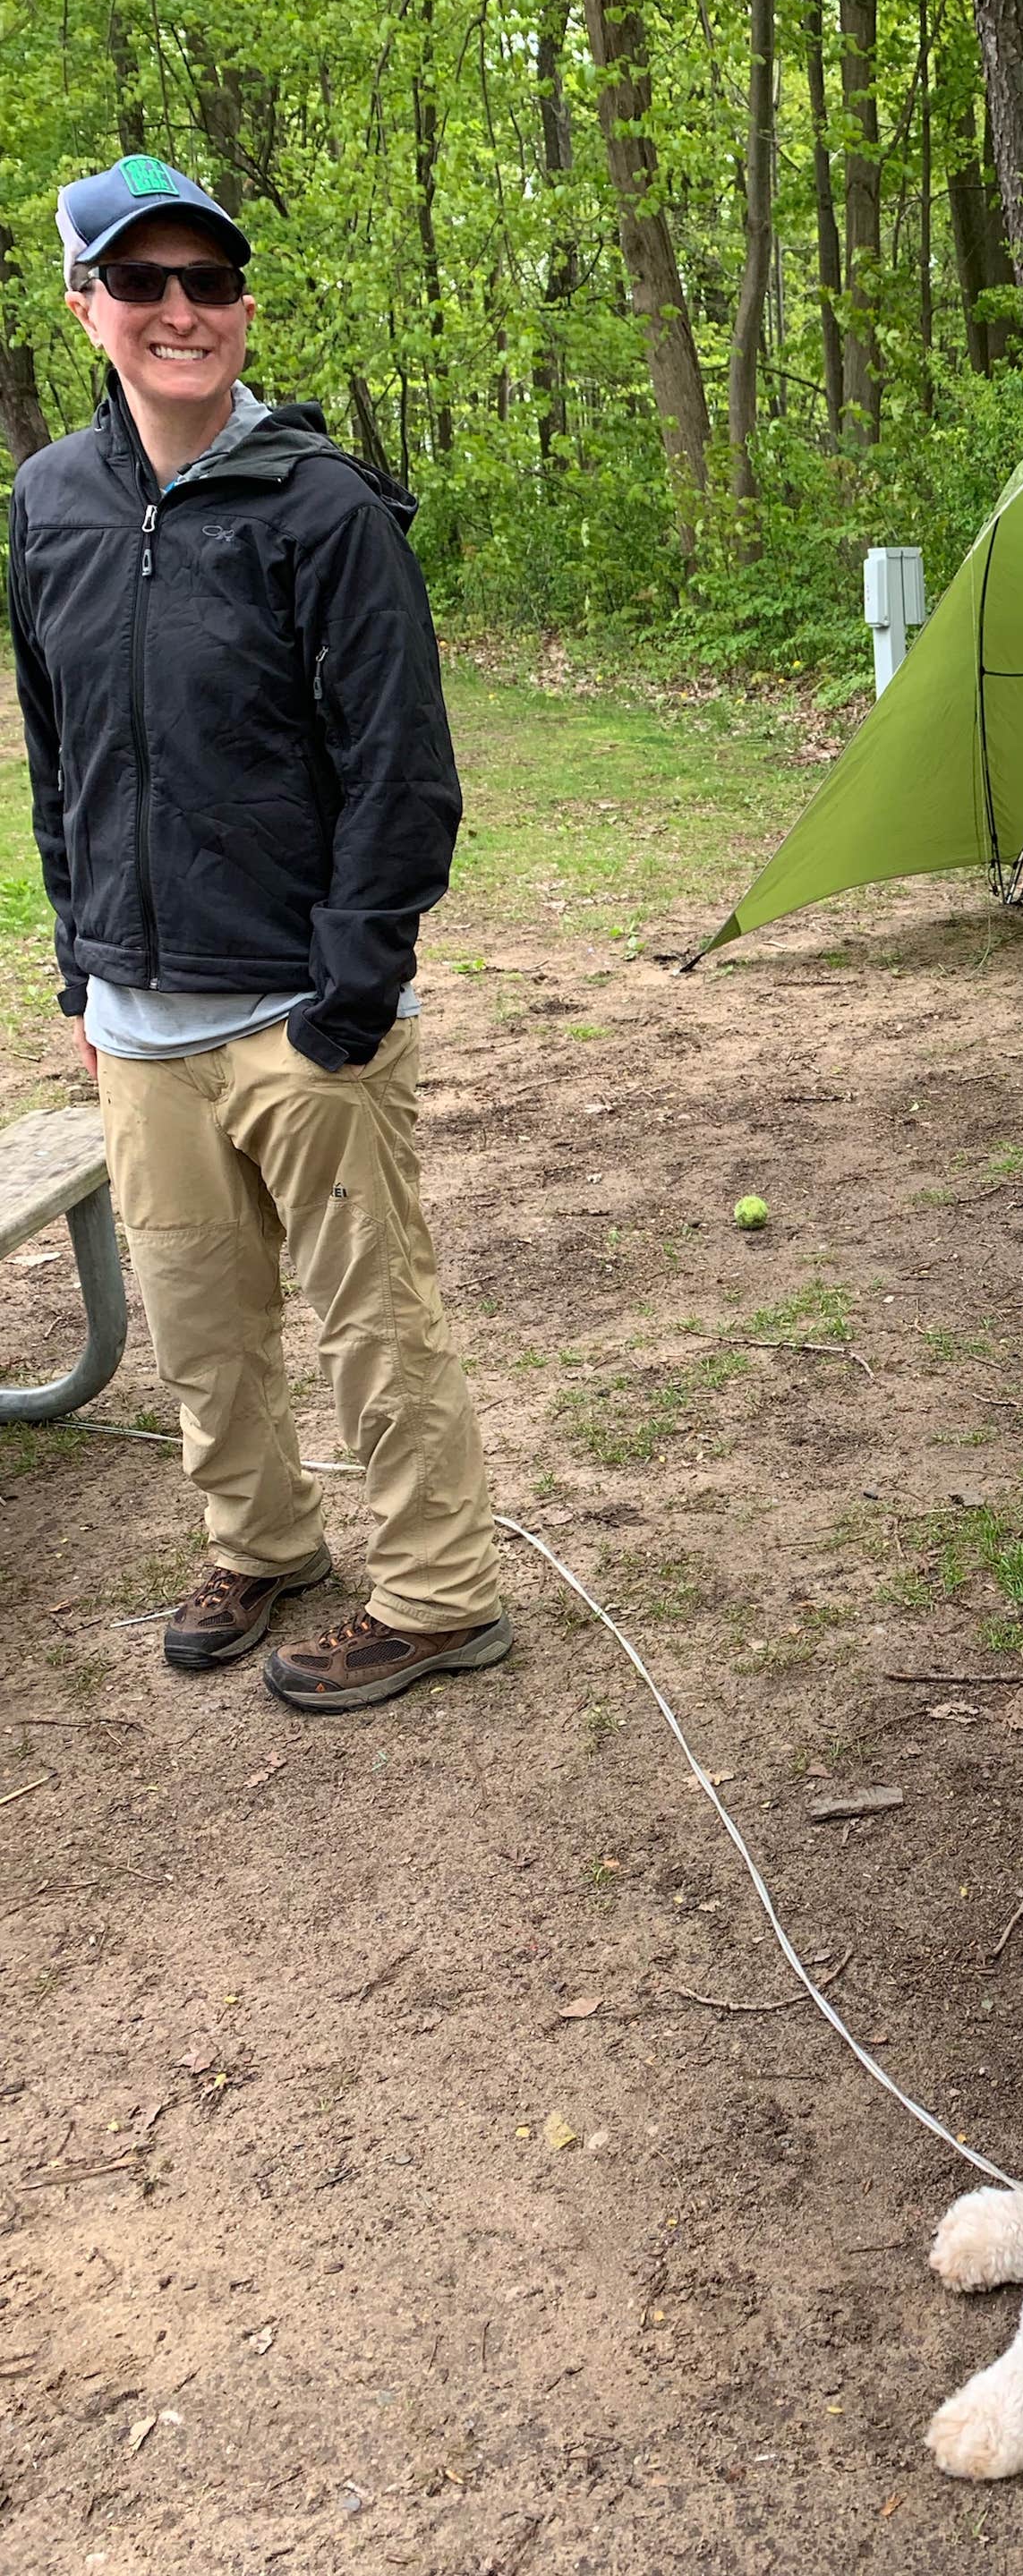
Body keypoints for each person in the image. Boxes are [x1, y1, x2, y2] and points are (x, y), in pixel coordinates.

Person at [5, 155, 512, 1712]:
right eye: (142, 283)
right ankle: (264, 1542)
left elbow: (400, 767)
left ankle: (437, 1597)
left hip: (301, 1007)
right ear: (87, 305)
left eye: (207, 283)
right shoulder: (50, 501)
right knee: (195, 1320)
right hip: (139, 1019)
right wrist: (84, 960)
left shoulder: (323, 504)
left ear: (237, 306)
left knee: (377, 1319)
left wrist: (351, 992)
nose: (180, 309)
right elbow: (58, 745)